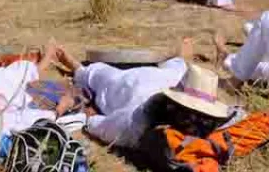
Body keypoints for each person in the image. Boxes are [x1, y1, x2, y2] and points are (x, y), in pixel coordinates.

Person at [55, 39, 195, 148]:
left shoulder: (137, 122)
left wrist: (91, 118)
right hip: (144, 79)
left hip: (126, 83)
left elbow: (102, 126)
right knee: (101, 75)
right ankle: (78, 69)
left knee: (101, 75)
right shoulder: (137, 120)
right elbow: (180, 64)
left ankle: (78, 68)